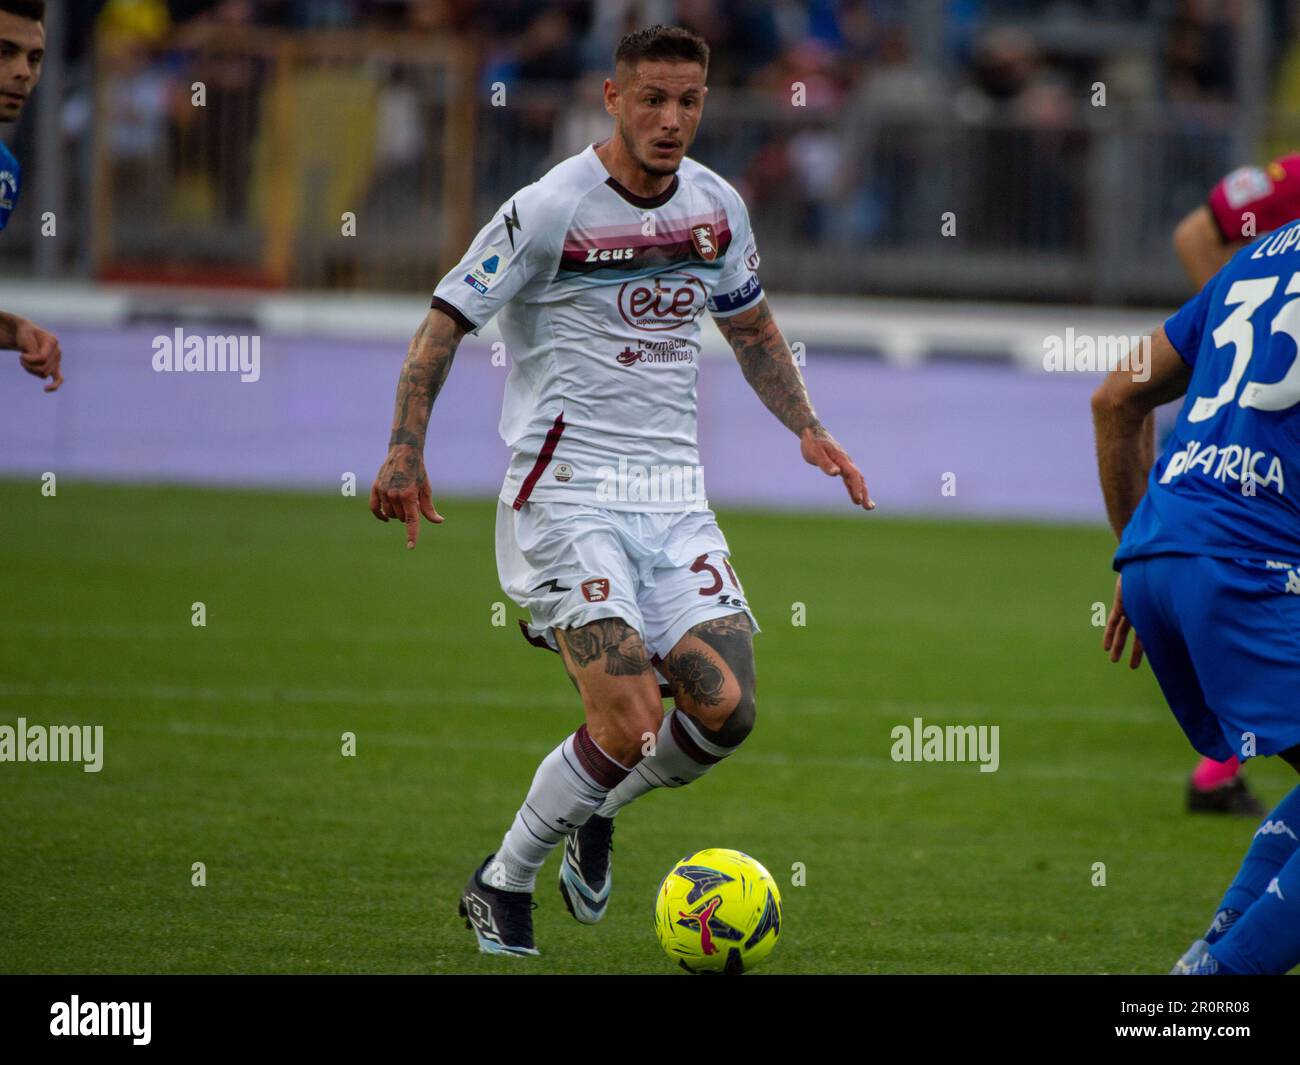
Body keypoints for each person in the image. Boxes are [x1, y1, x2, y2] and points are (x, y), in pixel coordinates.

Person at [369, 25, 873, 956]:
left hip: (672, 496)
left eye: (688, 101)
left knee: (726, 709)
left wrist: (809, 427)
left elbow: (753, 329)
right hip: (565, 495)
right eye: (652, 99)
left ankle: (594, 805)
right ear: (611, 97)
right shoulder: (551, 207)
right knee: (635, 713)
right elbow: (444, 320)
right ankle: (503, 878)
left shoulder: (717, 207)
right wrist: (405, 448)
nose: (671, 119)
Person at [1094, 216, 1300, 974]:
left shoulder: (1259, 258)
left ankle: (1209, 958)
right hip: (1249, 564)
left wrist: (1136, 545)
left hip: (1162, 555)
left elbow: (1116, 397)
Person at [1162, 157, 1300, 815]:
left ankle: (1221, 760)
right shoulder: (1290, 178)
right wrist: (1224, 340)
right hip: (1255, 430)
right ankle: (1218, 763)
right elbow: (1195, 232)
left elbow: (1116, 399)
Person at [0, 0, 61, 392]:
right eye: (5, 52)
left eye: (34, 58)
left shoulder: (5, 173)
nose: (23, 72)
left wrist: (13, 329)